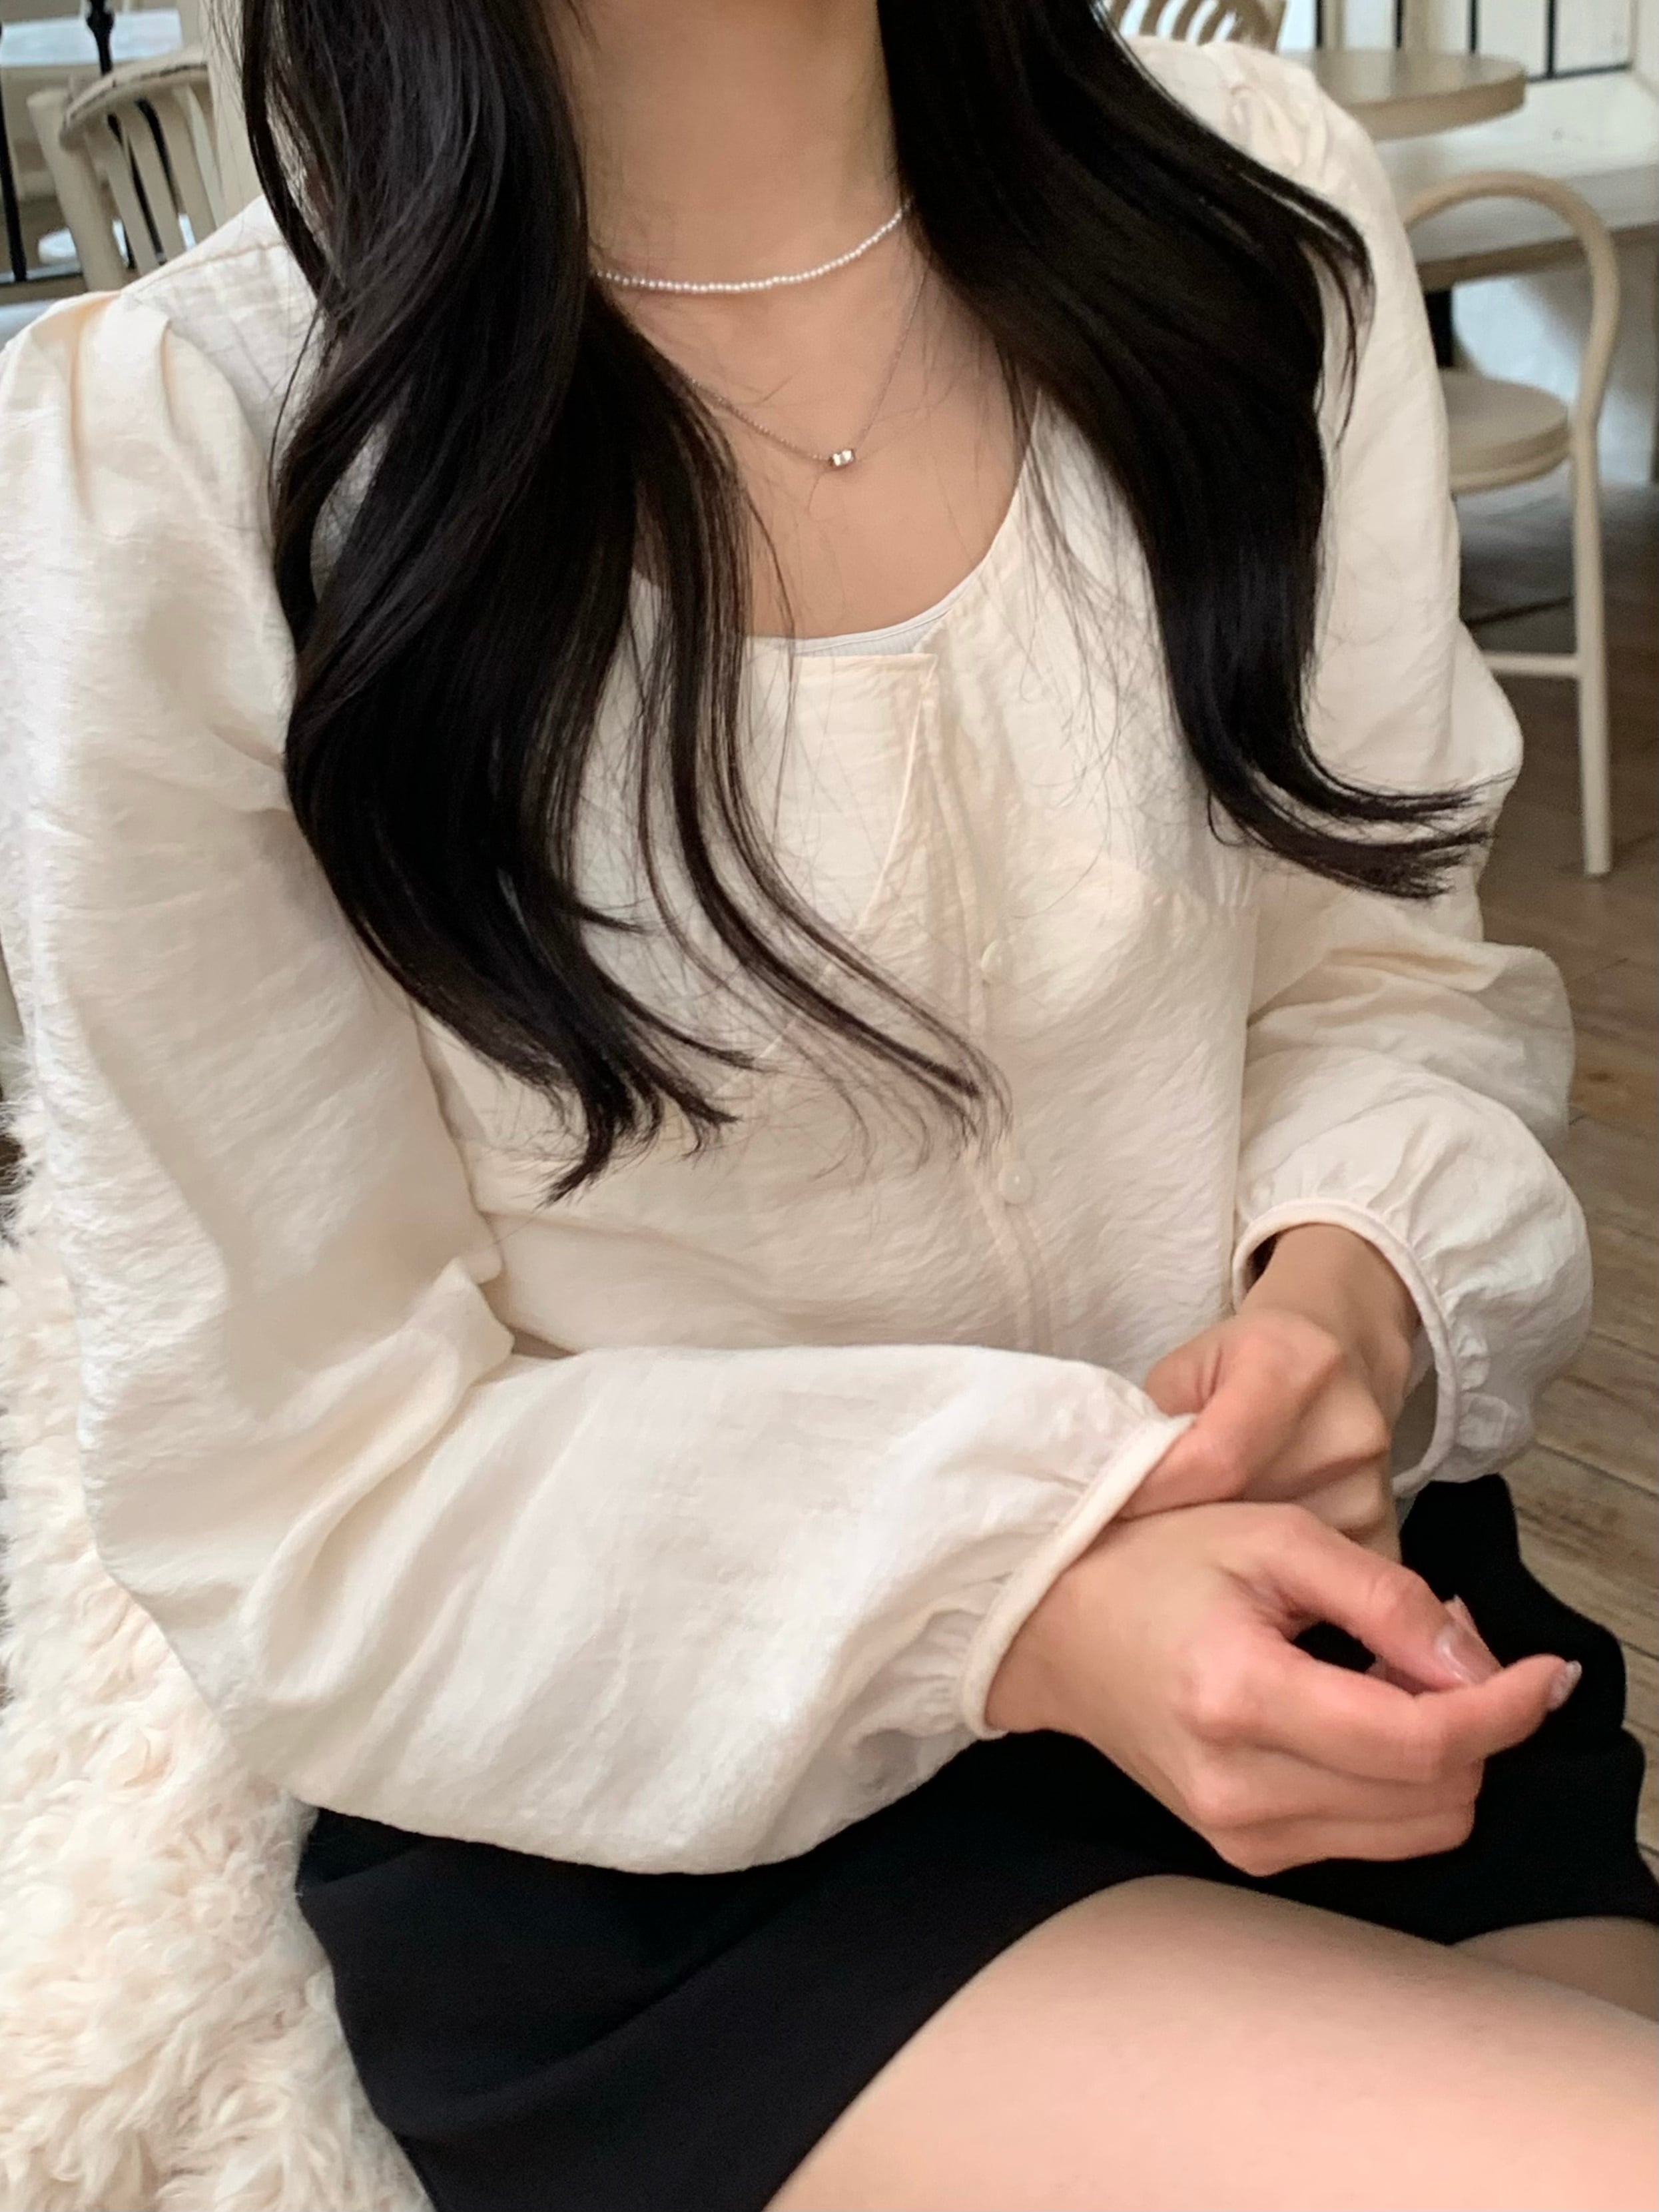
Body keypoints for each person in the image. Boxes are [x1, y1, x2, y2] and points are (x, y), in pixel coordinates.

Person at [0, 3, 1654, 2207]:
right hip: (672, 1778)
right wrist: (1026, 1597)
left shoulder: (1248, 215)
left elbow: (1376, 967)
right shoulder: (194, 461)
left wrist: (1344, 1296)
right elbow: (307, 1477)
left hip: (1324, 1624)